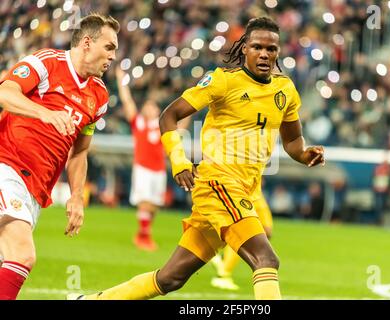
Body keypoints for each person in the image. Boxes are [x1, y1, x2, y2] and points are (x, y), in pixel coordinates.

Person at [70, 16, 324, 300]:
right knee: (266, 260)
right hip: (219, 185)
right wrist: (179, 161)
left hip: (245, 190)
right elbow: (170, 116)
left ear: (278, 52)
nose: (264, 54)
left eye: (271, 49)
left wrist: (304, 153)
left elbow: (291, 140)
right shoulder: (223, 82)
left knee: (171, 278)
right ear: (244, 49)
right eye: (257, 47)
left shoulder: (285, 90)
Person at [0, 13, 119, 300]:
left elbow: (80, 151)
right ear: (87, 43)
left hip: (36, 189)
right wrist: (45, 113)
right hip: (7, 167)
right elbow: (5, 92)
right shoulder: (46, 63)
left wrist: (77, 196)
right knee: (22, 255)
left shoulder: (99, 96)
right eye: (109, 47)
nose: (113, 56)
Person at [115, 67, 166, 251]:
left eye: (153, 107)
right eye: (148, 106)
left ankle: (142, 233)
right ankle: (145, 238)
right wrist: (122, 81)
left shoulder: (162, 126)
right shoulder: (139, 123)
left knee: (154, 206)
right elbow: (127, 101)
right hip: (143, 168)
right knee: (144, 202)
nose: (150, 109)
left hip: (159, 170)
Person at [210, 183, 273, 291]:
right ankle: (223, 275)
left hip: (253, 188)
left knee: (266, 231)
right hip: (242, 188)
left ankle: (222, 260)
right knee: (245, 233)